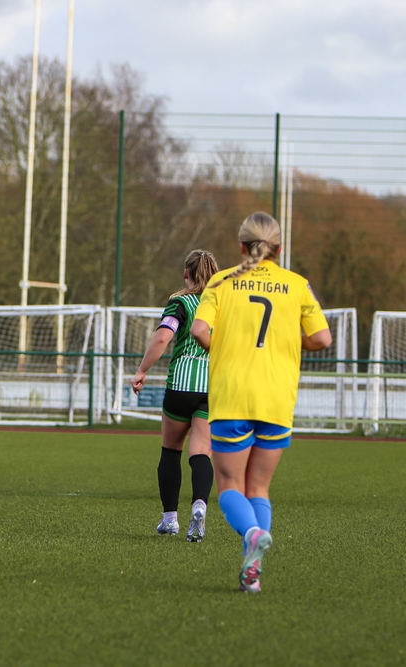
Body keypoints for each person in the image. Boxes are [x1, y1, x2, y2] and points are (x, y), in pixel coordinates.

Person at [190, 212, 331, 593]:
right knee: (259, 489)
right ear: (278, 249)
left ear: (241, 246)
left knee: (230, 486)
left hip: (233, 395)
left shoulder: (221, 281)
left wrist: (222, 350)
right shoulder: (297, 285)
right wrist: (290, 340)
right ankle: (252, 572)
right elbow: (322, 339)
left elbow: (199, 329)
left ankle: (251, 532)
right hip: (277, 398)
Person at [131, 250, 219, 542]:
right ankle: (200, 505)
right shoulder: (224, 304)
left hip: (181, 384)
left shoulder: (180, 302)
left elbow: (162, 337)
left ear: (186, 273)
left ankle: (170, 519)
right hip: (213, 385)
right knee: (201, 451)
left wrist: (142, 370)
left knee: (171, 450)